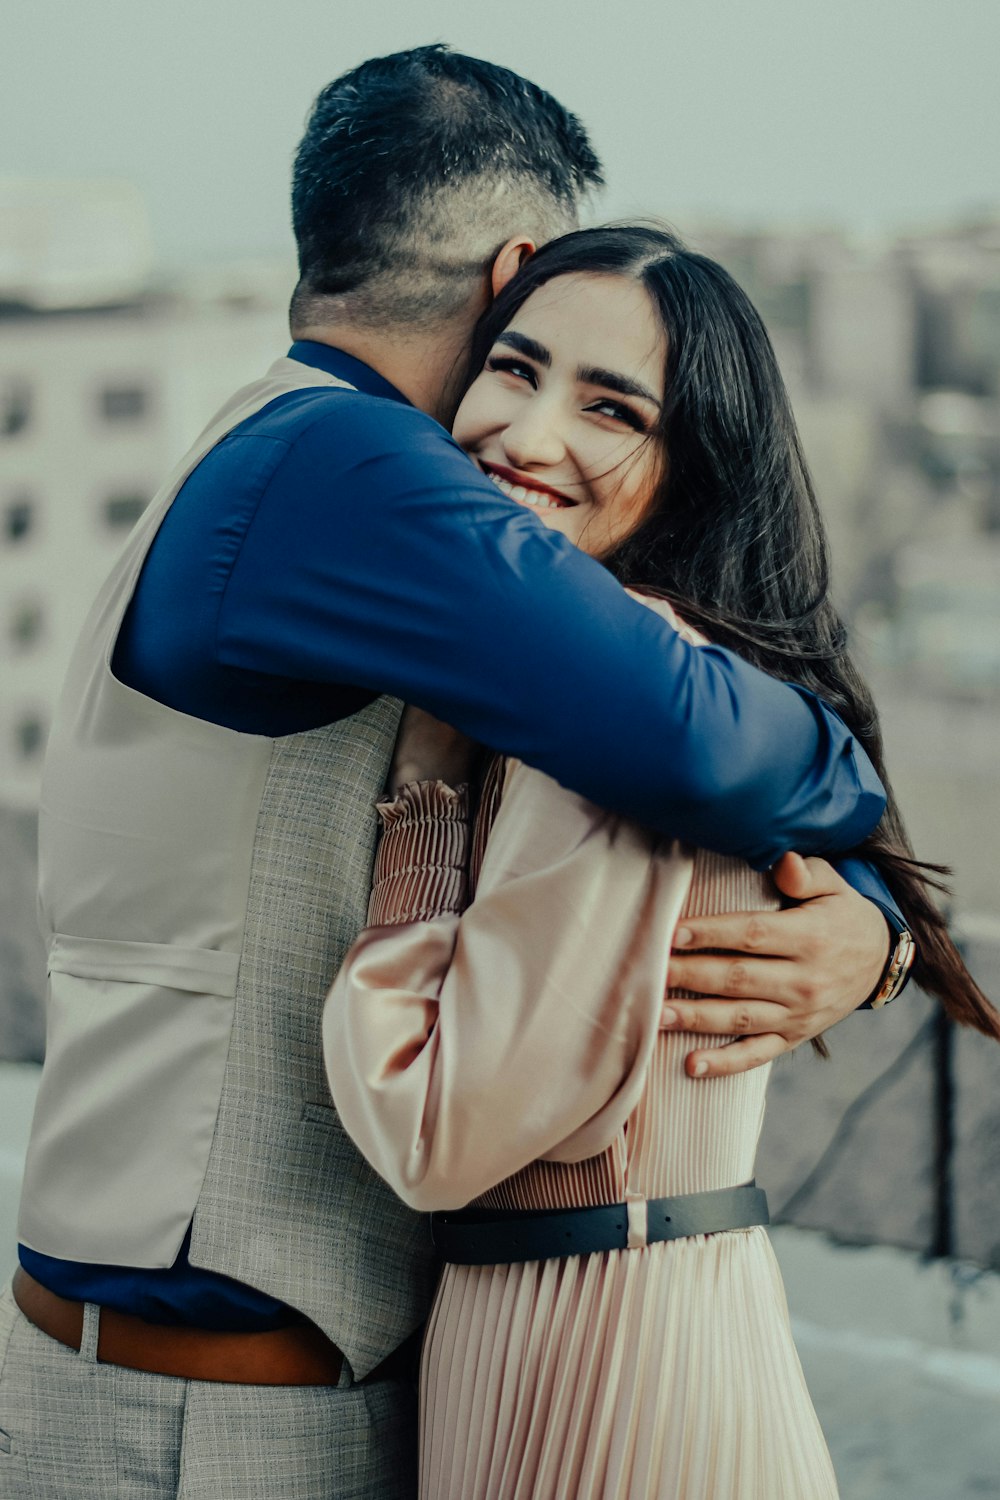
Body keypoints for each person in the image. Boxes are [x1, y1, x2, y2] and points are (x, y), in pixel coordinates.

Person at [1, 48, 907, 1500]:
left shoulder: (254, 444)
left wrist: (876, 927)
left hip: (151, 1370)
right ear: (518, 267)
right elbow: (695, 731)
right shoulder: (356, 476)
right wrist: (865, 855)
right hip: (214, 1421)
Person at [323, 226, 1000, 1499]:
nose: (527, 435)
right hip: (622, 1323)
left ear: (689, 471)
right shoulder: (671, 679)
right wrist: (881, 935)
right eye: (514, 370)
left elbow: (431, 1127)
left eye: (609, 409)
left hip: (598, 1365)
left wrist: (421, 801)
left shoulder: (619, 695)